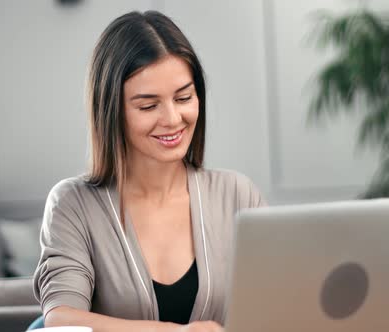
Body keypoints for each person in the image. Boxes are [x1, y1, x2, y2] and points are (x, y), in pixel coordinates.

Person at [33, 10, 265, 332]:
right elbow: (61, 319)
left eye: (184, 97)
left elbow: (276, 302)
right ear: (111, 109)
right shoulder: (73, 205)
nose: (172, 119)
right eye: (148, 106)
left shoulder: (238, 195)